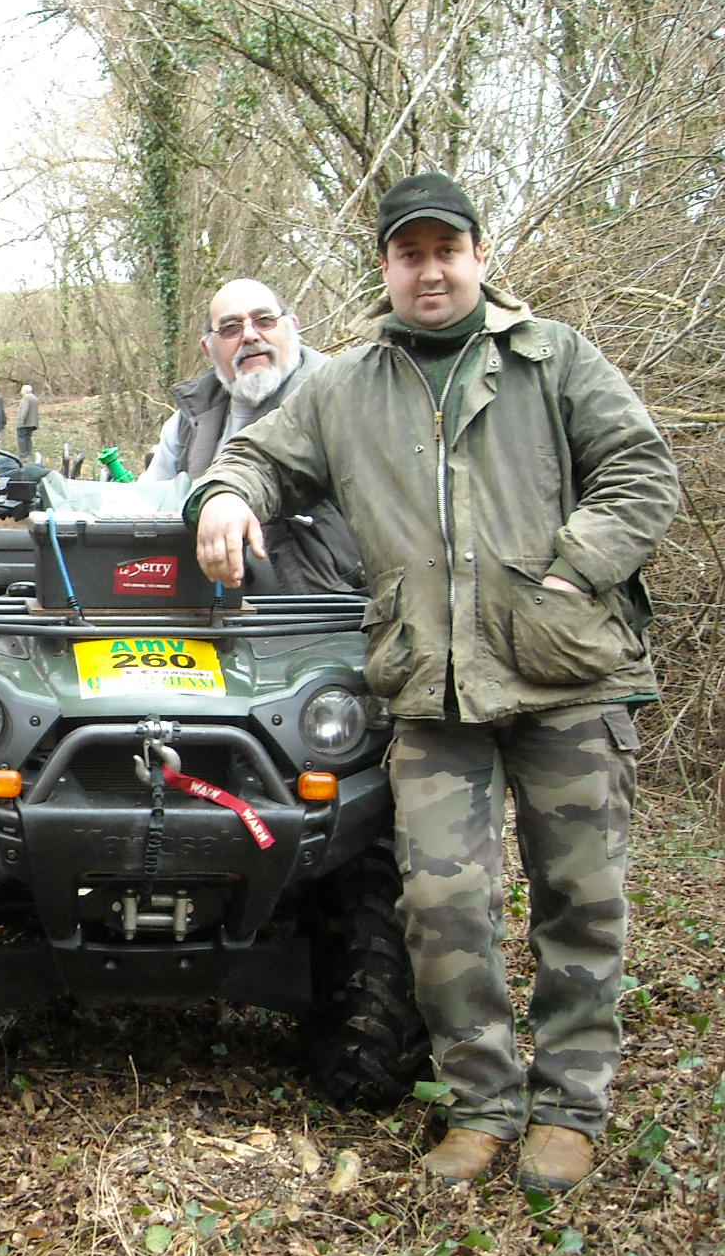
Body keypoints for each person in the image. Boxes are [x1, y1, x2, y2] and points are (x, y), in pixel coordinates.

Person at [191, 171, 677, 1196]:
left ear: (476, 257)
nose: (428, 268)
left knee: (577, 898)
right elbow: (257, 457)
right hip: (428, 686)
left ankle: (569, 1109)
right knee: (441, 907)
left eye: (444, 249)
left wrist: (569, 569)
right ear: (385, 267)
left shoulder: (552, 361)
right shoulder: (346, 384)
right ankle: (482, 1107)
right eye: (407, 253)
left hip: (565, 673)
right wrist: (226, 496)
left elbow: (638, 471)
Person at [144, 278, 362, 595]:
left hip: (321, 615)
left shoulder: (342, 399)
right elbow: (146, 506)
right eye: (230, 328)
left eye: (264, 321)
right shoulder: (187, 420)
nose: (249, 335)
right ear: (208, 348)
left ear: (292, 328)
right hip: (204, 608)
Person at [13, 383, 39, 457]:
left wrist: (20, 422)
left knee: (21, 438)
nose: (21, 392)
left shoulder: (26, 398)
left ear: (25, 391)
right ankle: (29, 452)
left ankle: (23, 453)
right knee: (28, 438)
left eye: (22, 390)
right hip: (32, 423)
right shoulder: (34, 398)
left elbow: (25, 410)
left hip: (24, 423)